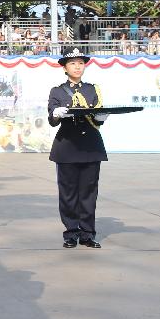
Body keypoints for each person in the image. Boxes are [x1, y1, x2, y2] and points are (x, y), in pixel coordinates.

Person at [47, 48, 109, 249]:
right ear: (65, 67)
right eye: (73, 63)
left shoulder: (92, 89)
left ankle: (87, 233)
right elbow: (52, 120)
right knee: (68, 193)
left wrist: (101, 117)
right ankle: (71, 233)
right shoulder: (57, 91)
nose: (77, 66)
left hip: (90, 146)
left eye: (81, 63)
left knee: (89, 192)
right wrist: (57, 113)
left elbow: (97, 116)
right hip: (67, 147)